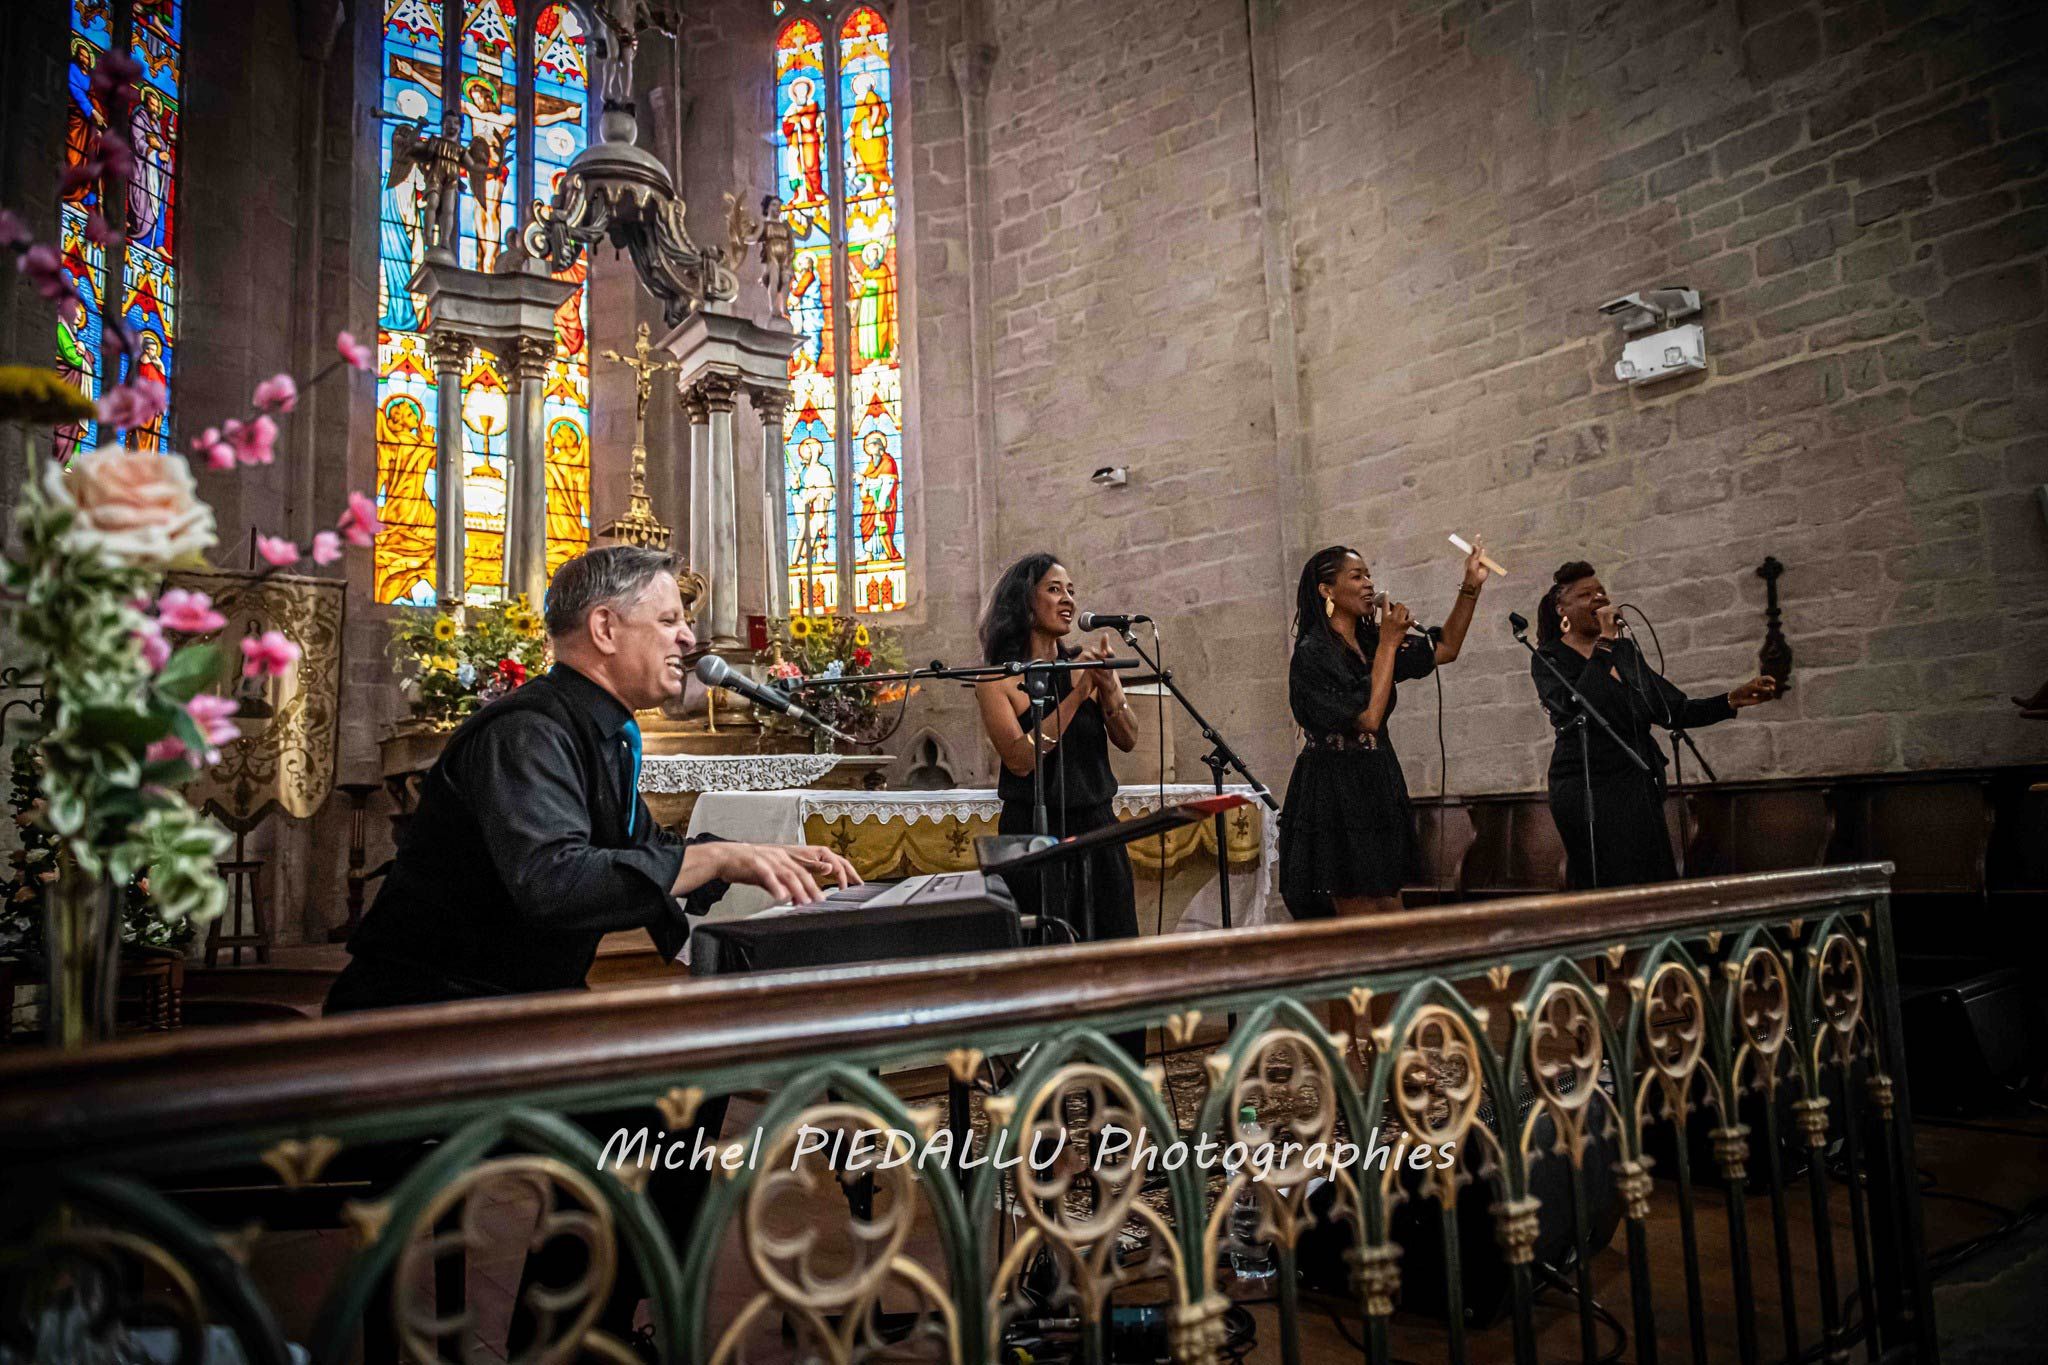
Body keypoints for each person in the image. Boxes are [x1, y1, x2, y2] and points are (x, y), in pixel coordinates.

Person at [326, 546, 857, 1359]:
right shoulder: (530, 732)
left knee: (682, 1084)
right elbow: (554, 880)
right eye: (671, 618)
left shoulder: (601, 733)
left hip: (506, 1019)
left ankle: (579, 1330)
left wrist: (750, 854)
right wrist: (711, 861)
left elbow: (644, 857)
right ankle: (569, 1337)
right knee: (662, 1099)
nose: (689, 638)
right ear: (605, 627)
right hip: (418, 1031)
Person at [974, 552, 1142, 1062]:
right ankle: (1047, 1124)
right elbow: (1022, 759)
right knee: (1047, 977)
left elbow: (1129, 739)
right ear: (1024, 600)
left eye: (1071, 589)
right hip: (1034, 840)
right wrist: (1076, 694)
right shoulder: (996, 679)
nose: (1068, 599)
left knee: (1114, 969)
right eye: (1054, 589)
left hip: (1098, 830)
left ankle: (1117, 1110)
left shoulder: (1085, 668)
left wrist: (1108, 689)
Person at [1532, 560, 1779, 890]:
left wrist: (1731, 699)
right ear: (1561, 608)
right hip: (1586, 782)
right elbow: (1581, 704)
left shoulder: (1624, 652)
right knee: (1607, 880)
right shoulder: (1549, 658)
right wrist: (1605, 644)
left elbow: (1670, 708)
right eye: (1585, 594)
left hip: (1636, 778)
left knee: (1651, 878)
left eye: (1601, 591)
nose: (1599, 598)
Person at [1279, 539, 1491, 917]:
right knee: (1358, 910)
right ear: (1327, 590)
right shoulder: (1313, 653)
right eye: (1356, 576)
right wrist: (1390, 645)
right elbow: (1368, 720)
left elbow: (1446, 648)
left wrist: (1470, 586)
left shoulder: (1371, 640)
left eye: (1369, 575)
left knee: (1391, 904)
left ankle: (1401, 974)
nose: (1368, 584)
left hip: (1377, 780)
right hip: (1335, 789)